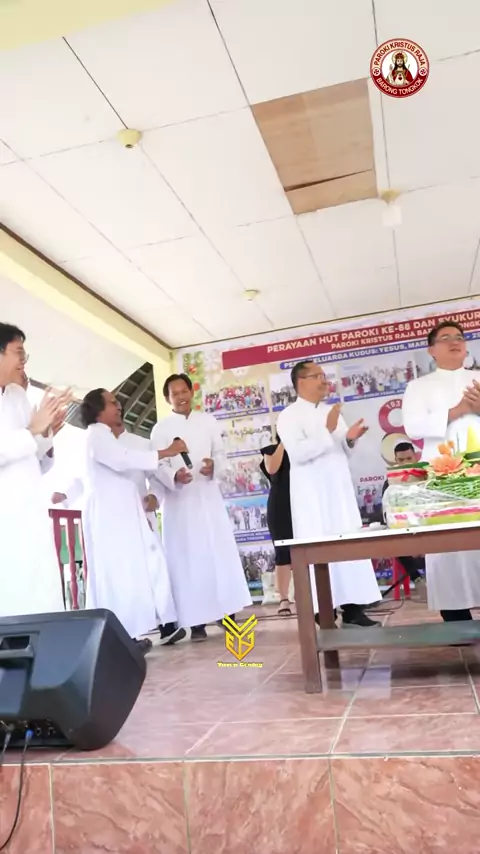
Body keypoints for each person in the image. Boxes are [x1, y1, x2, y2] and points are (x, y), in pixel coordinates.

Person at [77, 388, 187, 651]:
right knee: (118, 575)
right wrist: (165, 452)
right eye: (112, 403)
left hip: (125, 517)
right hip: (110, 520)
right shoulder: (96, 435)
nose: (119, 406)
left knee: (133, 572)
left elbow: (139, 469)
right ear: (98, 410)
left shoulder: (106, 436)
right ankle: (123, 638)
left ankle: (135, 633)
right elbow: (122, 460)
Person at [276, 361, 381, 628]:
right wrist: (327, 430)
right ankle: (323, 611)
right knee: (319, 546)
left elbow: (342, 447)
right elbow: (298, 454)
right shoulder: (288, 416)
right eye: (317, 376)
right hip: (311, 494)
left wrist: (350, 438)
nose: (324, 380)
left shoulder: (330, 411)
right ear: (301, 382)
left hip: (338, 489)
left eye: (324, 376)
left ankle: (354, 608)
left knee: (347, 542)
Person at [150, 373, 252, 642]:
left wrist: (214, 466)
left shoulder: (208, 421)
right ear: (167, 398)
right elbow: (157, 465)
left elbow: (221, 454)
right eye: (175, 394)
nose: (181, 397)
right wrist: (174, 476)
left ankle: (227, 615)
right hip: (180, 504)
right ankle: (196, 622)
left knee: (217, 556)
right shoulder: (160, 429)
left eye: (184, 391)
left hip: (208, 498)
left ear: (191, 392)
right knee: (187, 561)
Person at [402, 320, 480, 622]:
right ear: (431, 350)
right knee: (448, 544)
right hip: (442, 472)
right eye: (446, 338)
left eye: (459, 337)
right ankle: (456, 620)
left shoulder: (477, 378)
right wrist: (457, 411)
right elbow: (413, 427)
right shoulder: (419, 387)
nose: (454, 342)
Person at [0, 323, 70, 617]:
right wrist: (33, 431)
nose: (23, 361)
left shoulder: (17, 396)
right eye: (18, 353)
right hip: (5, 516)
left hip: (30, 510)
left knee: (39, 588)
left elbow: (35, 458)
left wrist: (47, 433)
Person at [382, 441, 427, 601]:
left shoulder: (426, 476)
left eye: (409, 458)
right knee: (394, 543)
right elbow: (387, 514)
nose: (405, 463)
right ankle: (418, 579)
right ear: (395, 461)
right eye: (401, 460)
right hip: (403, 529)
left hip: (426, 527)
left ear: (416, 457)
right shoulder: (389, 483)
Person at [259, 436, 294, 616]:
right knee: (283, 553)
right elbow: (272, 468)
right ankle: (284, 598)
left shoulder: (305, 448)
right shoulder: (271, 450)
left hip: (303, 503)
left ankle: (310, 596)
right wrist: (284, 442)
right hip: (280, 506)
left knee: (309, 551)